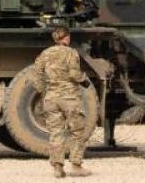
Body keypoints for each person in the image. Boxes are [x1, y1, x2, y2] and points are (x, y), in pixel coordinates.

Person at [33, 25, 92, 178]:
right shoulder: (71, 53)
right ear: (66, 37)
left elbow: (36, 75)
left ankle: (58, 168)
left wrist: (42, 92)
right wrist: (84, 80)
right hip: (69, 98)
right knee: (77, 131)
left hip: (51, 98)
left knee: (56, 133)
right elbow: (74, 74)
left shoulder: (45, 53)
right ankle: (76, 165)